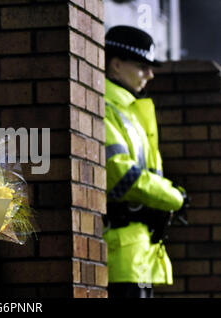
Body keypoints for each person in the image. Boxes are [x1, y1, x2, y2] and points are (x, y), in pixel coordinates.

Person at [102, 25, 187, 298]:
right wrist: (174, 197)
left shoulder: (128, 109)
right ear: (115, 65)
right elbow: (121, 174)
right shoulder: (105, 107)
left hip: (136, 254)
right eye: (142, 66)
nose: (150, 74)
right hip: (120, 254)